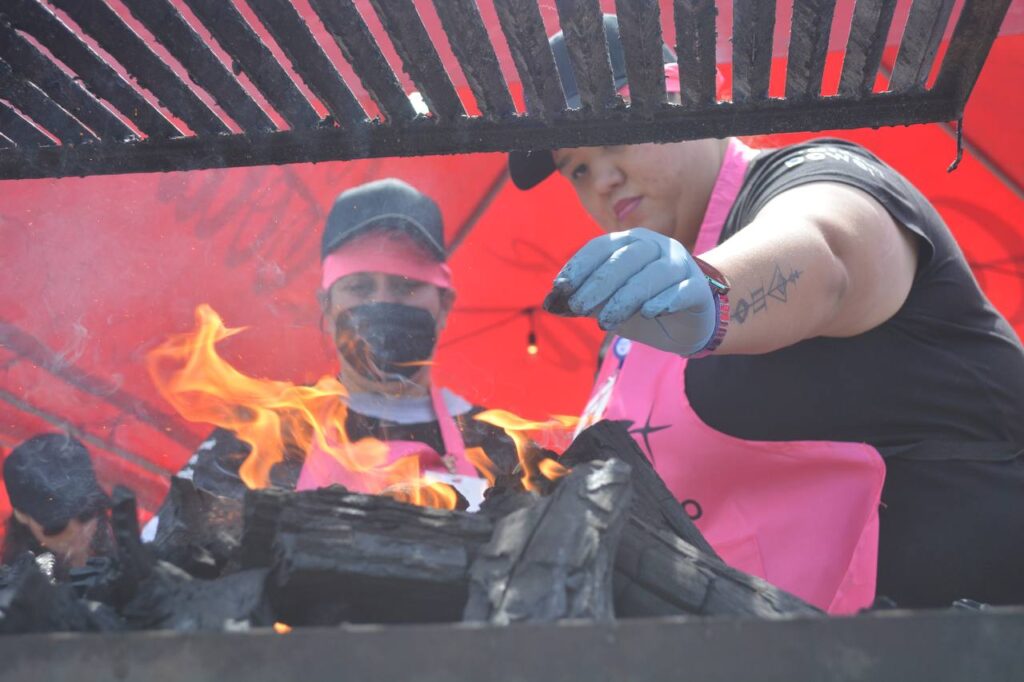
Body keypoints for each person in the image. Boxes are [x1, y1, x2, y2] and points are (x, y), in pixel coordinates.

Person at [511, 15, 1024, 612]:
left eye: (614, 136)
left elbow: (826, 254)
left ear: (681, 98)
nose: (602, 177)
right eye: (576, 167)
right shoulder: (629, 322)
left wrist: (713, 287)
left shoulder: (807, 177)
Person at [146, 178, 515, 539]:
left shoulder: (499, 447)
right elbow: (177, 569)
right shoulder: (256, 433)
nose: (381, 303)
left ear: (444, 306)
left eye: (406, 285)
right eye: (359, 287)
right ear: (327, 306)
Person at [2, 433, 114, 578]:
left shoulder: (125, 550)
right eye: (57, 525)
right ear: (22, 516)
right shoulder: (16, 586)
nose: (76, 531)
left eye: (86, 514)